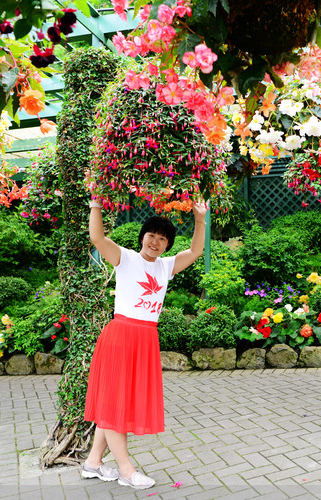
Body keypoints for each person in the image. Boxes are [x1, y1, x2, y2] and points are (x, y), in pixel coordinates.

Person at [81, 196, 208, 489]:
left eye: (162, 239)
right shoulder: (125, 258)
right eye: (151, 235)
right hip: (121, 336)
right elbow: (97, 237)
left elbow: (196, 250)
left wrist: (199, 219)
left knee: (116, 403)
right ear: (142, 237)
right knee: (115, 404)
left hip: (146, 338)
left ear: (167, 245)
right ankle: (126, 470)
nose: (156, 242)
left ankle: (93, 463)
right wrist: (96, 203)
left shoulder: (166, 267)